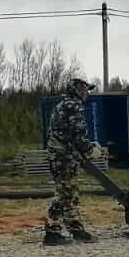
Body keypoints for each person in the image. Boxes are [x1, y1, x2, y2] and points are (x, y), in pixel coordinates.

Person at [43, 77, 99, 246]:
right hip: (63, 156)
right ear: (76, 90)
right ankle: (52, 232)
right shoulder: (74, 106)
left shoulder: (61, 105)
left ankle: (76, 228)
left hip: (60, 154)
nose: (87, 93)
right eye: (84, 90)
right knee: (65, 193)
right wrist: (90, 150)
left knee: (71, 192)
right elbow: (78, 135)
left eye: (87, 90)